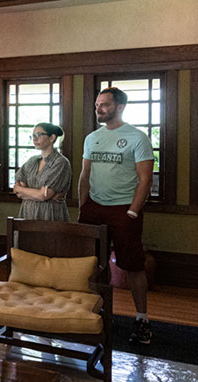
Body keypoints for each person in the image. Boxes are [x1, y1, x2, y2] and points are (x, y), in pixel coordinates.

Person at [78, 87, 154, 344]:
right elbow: (85, 175)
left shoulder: (137, 138)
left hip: (124, 209)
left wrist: (133, 211)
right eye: (97, 104)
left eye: (104, 105)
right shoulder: (92, 138)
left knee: (132, 265)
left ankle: (141, 318)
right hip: (94, 207)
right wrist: (83, 206)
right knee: (92, 264)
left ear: (119, 107)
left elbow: (145, 180)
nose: (98, 109)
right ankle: (98, 312)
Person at [12, 122, 72, 221]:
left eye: (39, 135)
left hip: (50, 214)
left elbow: (44, 195)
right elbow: (18, 192)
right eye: (33, 136)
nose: (35, 139)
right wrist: (42, 195)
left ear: (52, 137)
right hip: (28, 213)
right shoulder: (32, 161)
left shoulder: (60, 162)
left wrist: (31, 193)